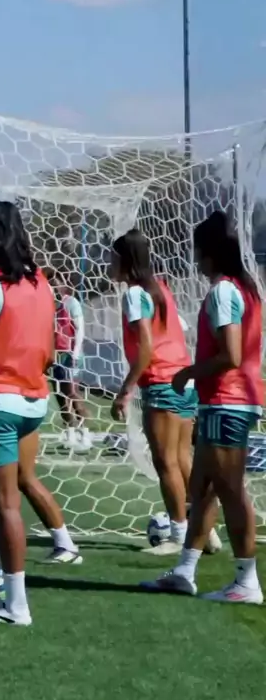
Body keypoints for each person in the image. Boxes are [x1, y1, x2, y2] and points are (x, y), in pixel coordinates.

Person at [0, 202, 82, 625]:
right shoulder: (40, 281)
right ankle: (26, 559)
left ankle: (16, 606)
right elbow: (49, 342)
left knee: (6, 506)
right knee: (19, 487)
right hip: (33, 400)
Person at [142, 211, 264, 603]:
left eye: (197, 251)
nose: (194, 260)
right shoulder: (242, 289)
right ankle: (184, 571)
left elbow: (231, 354)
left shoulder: (225, 291)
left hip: (229, 402)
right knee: (204, 488)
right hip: (222, 402)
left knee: (230, 491)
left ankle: (247, 581)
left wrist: (187, 373)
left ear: (209, 253)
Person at [109, 228, 221, 555]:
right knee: (183, 459)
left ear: (125, 261)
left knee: (166, 463)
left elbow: (146, 345)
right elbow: (177, 330)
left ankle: (179, 534)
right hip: (183, 379)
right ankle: (204, 530)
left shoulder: (134, 295)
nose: (108, 264)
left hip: (161, 381)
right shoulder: (161, 288)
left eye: (112, 258)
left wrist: (125, 390)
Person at [43, 268, 92, 453]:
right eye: (50, 284)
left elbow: (80, 329)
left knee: (72, 393)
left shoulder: (71, 302)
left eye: (56, 284)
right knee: (60, 395)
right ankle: (70, 433)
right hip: (54, 355)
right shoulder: (48, 305)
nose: (54, 288)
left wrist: (75, 353)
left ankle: (85, 434)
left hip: (69, 354)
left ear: (64, 285)